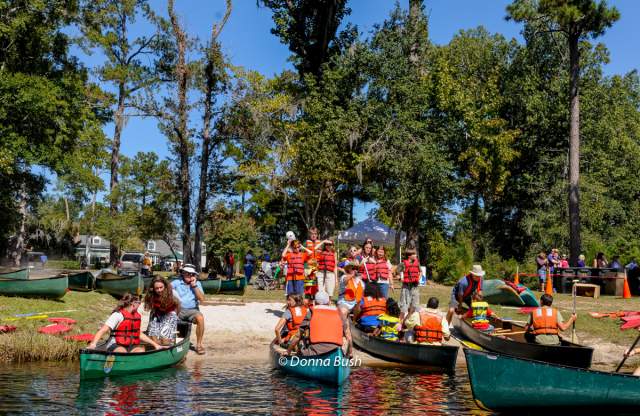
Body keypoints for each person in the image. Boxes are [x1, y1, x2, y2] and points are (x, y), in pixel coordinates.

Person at [88, 293, 164, 352]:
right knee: (122, 351)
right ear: (133, 304)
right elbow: (103, 330)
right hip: (116, 344)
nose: (140, 305)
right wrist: (93, 344)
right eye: (139, 303)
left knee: (140, 350)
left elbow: (139, 334)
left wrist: (155, 345)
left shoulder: (136, 316)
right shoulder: (117, 315)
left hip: (130, 346)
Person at [286, 291, 352, 358]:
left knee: (303, 339)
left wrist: (288, 351)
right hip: (336, 350)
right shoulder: (339, 312)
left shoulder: (311, 312)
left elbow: (298, 336)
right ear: (329, 302)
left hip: (315, 351)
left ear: (314, 303)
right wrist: (350, 353)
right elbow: (348, 335)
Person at [171, 265, 206, 354]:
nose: (189, 275)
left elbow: (202, 299)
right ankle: (177, 346)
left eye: (191, 274)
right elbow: (166, 290)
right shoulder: (176, 282)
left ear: (194, 275)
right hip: (178, 310)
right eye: (187, 273)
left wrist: (194, 286)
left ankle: (199, 345)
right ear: (182, 273)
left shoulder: (197, 284)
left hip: (192, 310)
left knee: (200, 318)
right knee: (176, 328)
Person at [144, 276, 180, 345]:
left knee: (165, 339)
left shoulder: (172, 293)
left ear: (165, 286)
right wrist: (150, 325)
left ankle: (169, 343)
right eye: (157, 288)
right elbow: (152, 310)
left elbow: (178, 305)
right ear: (153, 288)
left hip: (169, 315)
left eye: (161, 287)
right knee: (152, 337)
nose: (159, 290)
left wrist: (175, 317)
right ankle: (158, 350)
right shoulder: (151, 295)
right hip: (157, 316)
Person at [396, 248, 421, 318]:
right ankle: (399, 324)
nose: (416, 255)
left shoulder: (417, 263)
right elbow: (396, 272)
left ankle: (406, 323)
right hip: (406, 287)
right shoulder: (403, 264)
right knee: (403, 308)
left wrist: (418, 278)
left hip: (415, 287)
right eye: (414, 254)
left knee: (414, 307)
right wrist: (400, 278)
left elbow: (420, 271)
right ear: (409, 256)